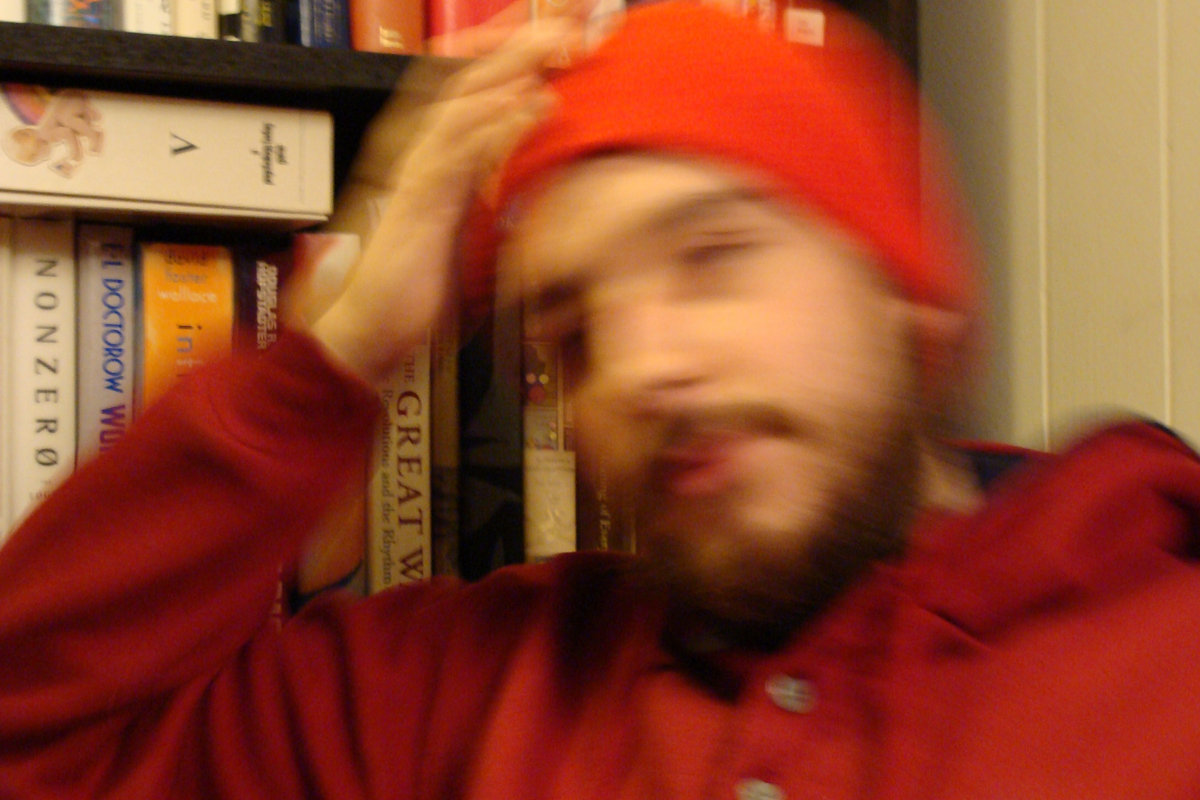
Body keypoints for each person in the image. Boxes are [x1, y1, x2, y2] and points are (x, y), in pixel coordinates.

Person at [3, 2, 1200, 798]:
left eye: (713, 257)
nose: (636, 370)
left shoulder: (1160, 658)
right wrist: (338, 350)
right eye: (571, 336)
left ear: (905, 292)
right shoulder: (459, 691)